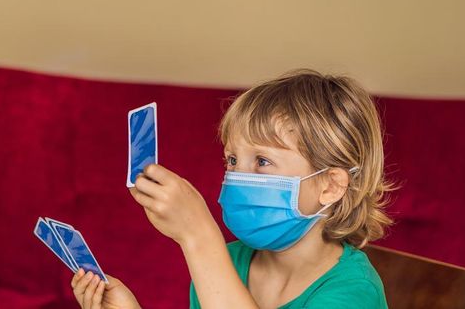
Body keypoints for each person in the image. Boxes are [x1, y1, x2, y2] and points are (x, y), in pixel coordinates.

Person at [71, 70, 392, 308]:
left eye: (263, 161)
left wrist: (199, 235)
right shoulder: (228, 261)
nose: (238, 176)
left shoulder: (354, 292)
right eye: (232, 160)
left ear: (331, 186)